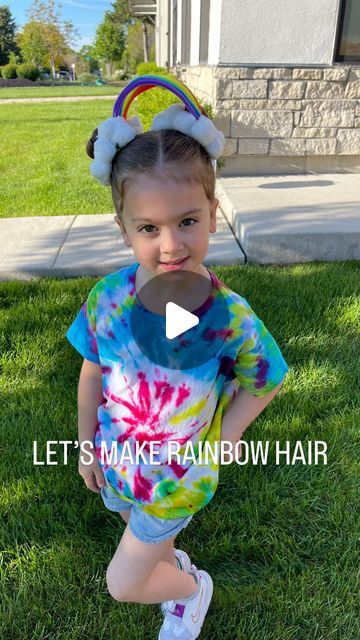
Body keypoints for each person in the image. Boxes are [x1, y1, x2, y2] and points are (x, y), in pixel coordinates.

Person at [65, 77, 289, 640]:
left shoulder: (231, 316)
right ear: (124, 232)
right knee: (131, 524)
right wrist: (86, 442)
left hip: (180, 476)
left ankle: (190, 590)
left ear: (212, 214)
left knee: (124, 582)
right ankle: (169, 564)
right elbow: (91, 370)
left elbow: (266, 380)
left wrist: (227, 435)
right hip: (118, 461)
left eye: (187, 220)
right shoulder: (107, 300)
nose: (171, 244)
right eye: (149, 228)